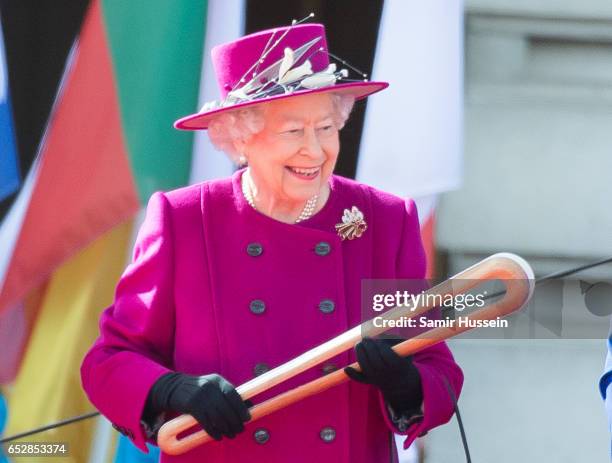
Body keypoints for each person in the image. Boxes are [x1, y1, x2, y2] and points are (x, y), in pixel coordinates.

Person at [80, 22, 463, 462]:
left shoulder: (385, 221)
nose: (315, 151)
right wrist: (174, 389)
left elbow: (439, 370)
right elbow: (109, 361)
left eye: (325, 128)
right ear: (241, 136)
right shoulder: (185, 220)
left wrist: (406, 384)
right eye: (293, 132)